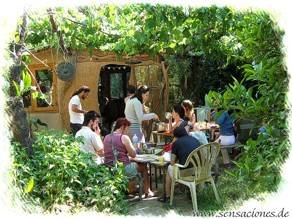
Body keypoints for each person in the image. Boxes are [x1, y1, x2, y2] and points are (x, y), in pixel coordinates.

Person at [103, 118, 154, 197]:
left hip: (110, 168)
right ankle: (147, 190)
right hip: (122, 169)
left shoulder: (106, 137)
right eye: (127, 128)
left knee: (134, 163)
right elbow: (133, 154)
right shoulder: (124, 138)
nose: (128, 131)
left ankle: (130, 189)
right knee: (143, 166)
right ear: (123, 127)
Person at [158, 126, 200, 202]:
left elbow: (172, 162)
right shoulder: (195, 140)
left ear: (175, 136)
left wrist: (174, 144)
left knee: (169, 168)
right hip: (199, 170)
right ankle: (188, 191)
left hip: (186, 172)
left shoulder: (176, 143)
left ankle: (167, 196)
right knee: (184, 165)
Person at [124, 85, 159, 150]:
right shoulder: (137, 102)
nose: (147, 97)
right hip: (134, 128)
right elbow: (141, 117)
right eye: (146, 95)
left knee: (134, 149)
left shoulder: (130, 100)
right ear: (142, 94)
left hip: (130, 127)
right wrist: (153, 115)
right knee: (137, 150)